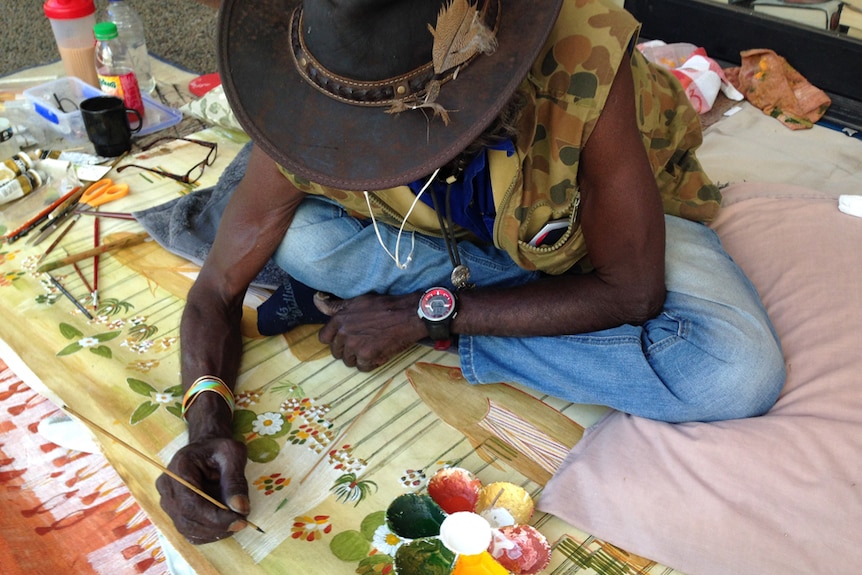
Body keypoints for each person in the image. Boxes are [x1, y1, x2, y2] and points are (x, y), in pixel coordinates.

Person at [157, 0, 786, 543]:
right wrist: (205, 421)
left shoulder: (585, 55)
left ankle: (471, 309)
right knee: (299, 243)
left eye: (407, 123)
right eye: (368, 127)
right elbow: (217, 286)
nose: (384, 142)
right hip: (450, 239)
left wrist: (425, 315)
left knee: (733, 374)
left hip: (610, 230)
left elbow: (633, 290)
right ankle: (527, 307)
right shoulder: (316, 92)